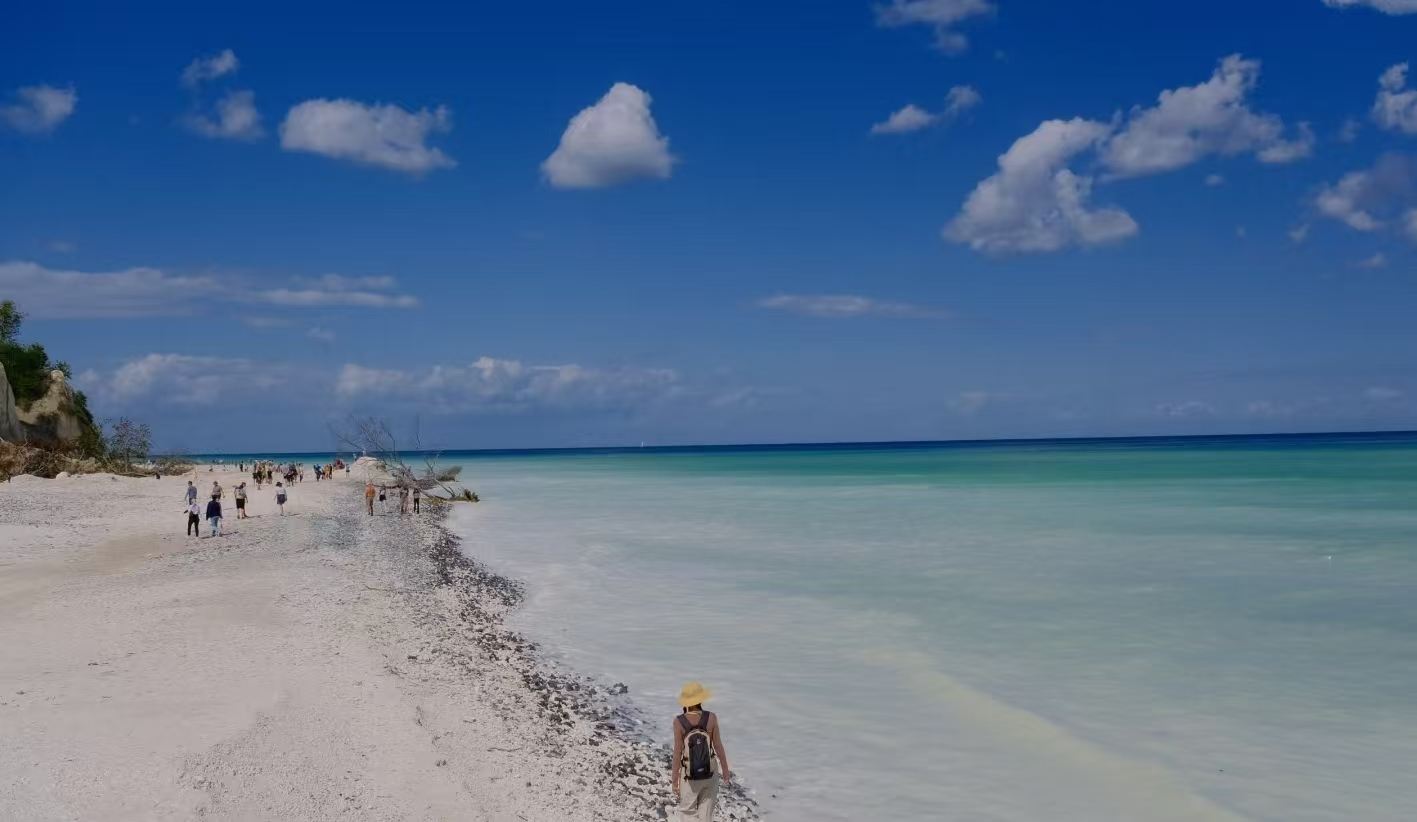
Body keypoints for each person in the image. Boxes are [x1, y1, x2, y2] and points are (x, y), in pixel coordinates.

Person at [668, 682, 731, 822]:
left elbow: (677, 753)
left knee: (687, 811)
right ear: (701, 699)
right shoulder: (711, 717)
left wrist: (675, 780)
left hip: (689, 774)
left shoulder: (678, 722)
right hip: (710, 771)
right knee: (706, 812)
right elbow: (718, 746)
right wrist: (725, 771)